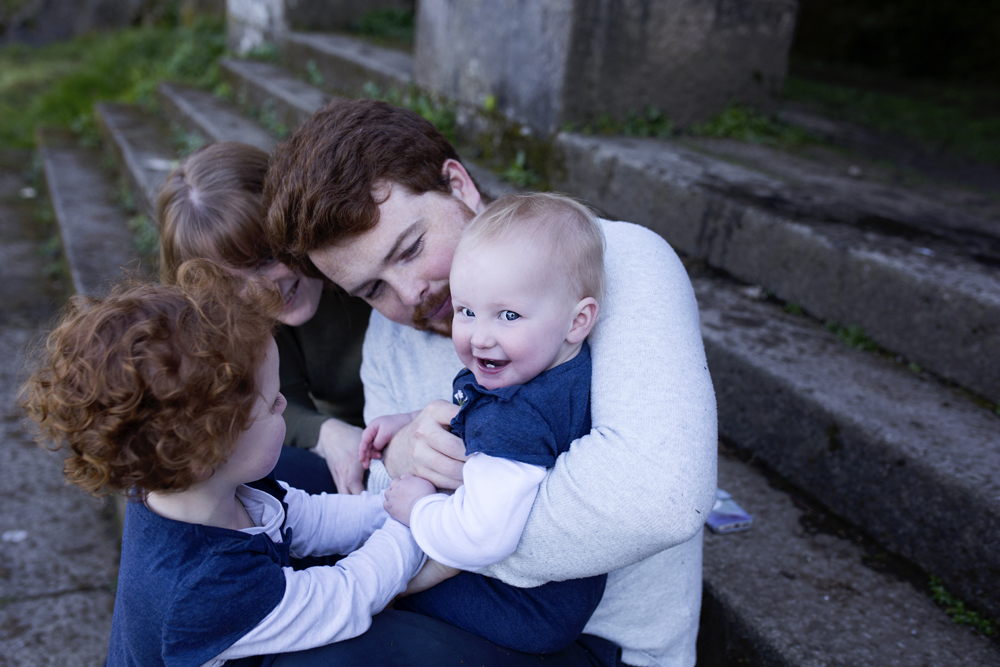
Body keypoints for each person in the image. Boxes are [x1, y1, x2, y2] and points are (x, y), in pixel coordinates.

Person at [265, 99, 718, 667]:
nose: (409, 295)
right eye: (372, 290)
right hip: (460, 596)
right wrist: (402, 454)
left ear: (458, 185)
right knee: (235, 493)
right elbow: (387, 490)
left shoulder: (617, 260)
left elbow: (660, 500)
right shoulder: (392, 332)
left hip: (592, 638)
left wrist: (434, 545)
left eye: (411, 249)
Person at [20, 261, 424, 667]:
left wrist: (393, 503)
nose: (284, 403)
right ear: (204, 455)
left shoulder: (202, 486)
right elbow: (346, 595)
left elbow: (309, 519)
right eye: (271, 404)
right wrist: (415, 520)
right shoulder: (204, 587)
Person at [360, 193, 608, 654]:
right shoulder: (560, 366)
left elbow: (481, 535)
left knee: (381, 600)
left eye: (509, 315)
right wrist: (412, 419)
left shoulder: (513, 418)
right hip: (549, 599)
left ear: (578, 320)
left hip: (518, 606)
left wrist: (418, 509)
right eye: (466, 311)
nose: (480, 336)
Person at [158, 142, 370, 496]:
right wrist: (326, 433)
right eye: (230, 283)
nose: (262, 293)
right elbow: (268, 399)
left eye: (268, 256)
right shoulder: (231, 317)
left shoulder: (365, 255)